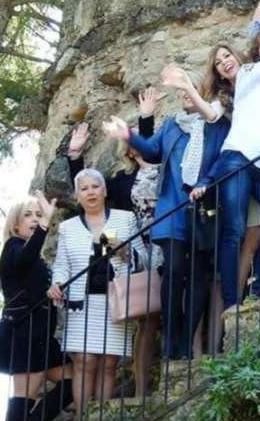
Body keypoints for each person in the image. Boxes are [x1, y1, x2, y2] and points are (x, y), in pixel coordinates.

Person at [102, 67, 227, 360]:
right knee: (172, 272)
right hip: (172, 207)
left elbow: (223, 158)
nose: (184, 95)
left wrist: (207, 183)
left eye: (189, 88)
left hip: (202, 206)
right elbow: (152, 151)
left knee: (198, 274)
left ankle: (186, 340)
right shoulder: (172, 124)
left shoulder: (216, 122)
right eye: (180, 91)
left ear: (202, 91)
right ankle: (171, 337)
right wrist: (128, 134)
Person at [189, 14, 260, 313]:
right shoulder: (249, 73)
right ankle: (231, 302)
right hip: (240, 156)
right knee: (235, 230)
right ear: (256, 52)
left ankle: (258, 295)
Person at [65, 92, 159, 396]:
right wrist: (75, 158)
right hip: (139, 250)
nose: (135, 149)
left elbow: (153, 152)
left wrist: (146, 119)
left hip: (172, 239)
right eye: (129, 145)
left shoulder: (165, 167)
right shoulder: (119, 182)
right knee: (146, 318)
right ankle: (141, 387)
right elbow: (93, 201)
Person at [47, 170, 148, 410]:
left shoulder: (125, 219)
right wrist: (56, 283)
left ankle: (102, 415)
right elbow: (62, 265)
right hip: (82, 303)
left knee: (109, 363)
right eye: (84, 188)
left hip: (115, 300)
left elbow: (143, 259)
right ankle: (83, 415)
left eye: (95, 187)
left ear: (104, 191)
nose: (90, 192)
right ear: (77, 196)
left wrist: (121, 250)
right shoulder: (68, 228)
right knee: (84, 360)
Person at [0, 194, 73, 421]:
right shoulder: (13, 246)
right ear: (15, 223)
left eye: (38, 215)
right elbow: (24, 258)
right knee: (24, 396)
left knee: (72, 381)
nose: (35, 219)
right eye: (28, 215)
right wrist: (45, 224)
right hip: (24, 335)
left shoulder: (34, 258)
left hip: (41, 336)